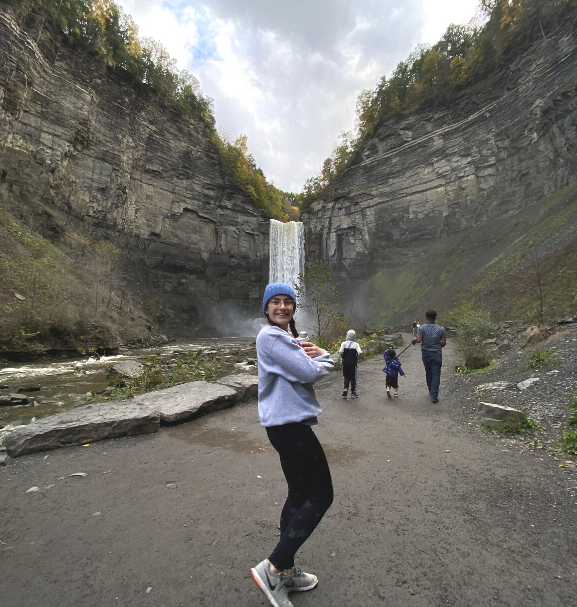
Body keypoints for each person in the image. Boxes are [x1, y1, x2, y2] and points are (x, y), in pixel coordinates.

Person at [251, 283, 335, 607]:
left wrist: (313, 355)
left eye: (288, 302)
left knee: (299, 495)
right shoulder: (270, 337)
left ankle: (285, 570)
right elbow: (309, 373)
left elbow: (303, 367)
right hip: (291, 429)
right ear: (266, 308)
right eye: (276, 302)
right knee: (321, 495)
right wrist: (326, 357)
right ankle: (273, 569)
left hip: (285, 426)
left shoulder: (284, 339)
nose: (283, 307)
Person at [412, 309, 447, 403]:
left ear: (427, 317)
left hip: (426, 353)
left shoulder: (422, 328)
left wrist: (414, 340)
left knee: (428, 372)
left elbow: (419, 340)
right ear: (435, 318)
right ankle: (434, 396)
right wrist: (437, 346)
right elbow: (443, 343)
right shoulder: (441, 329)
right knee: (436, 374)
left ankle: (430, 391)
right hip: (437, 353)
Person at [339, 329, 362, 399]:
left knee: (346, 376)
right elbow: (360, 352)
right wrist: (356, 358)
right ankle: (353, 393)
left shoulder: (343, 343)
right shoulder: (356, 344)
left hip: (345, 363)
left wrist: (343, 357)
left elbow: (340, 351)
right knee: (353, 378)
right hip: (353, 363)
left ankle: (345, 388)